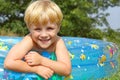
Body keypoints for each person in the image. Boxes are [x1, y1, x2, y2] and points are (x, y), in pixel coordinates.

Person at [4, 0, 71, 79]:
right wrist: (36, 69)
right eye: (37, 29)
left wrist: (42, 60)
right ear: (29, 28)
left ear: (58, 27)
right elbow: (8, 63)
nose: (44, 35)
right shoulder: (29, 40)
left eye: (50, 28)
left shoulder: (58, 42)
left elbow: (66, 70)